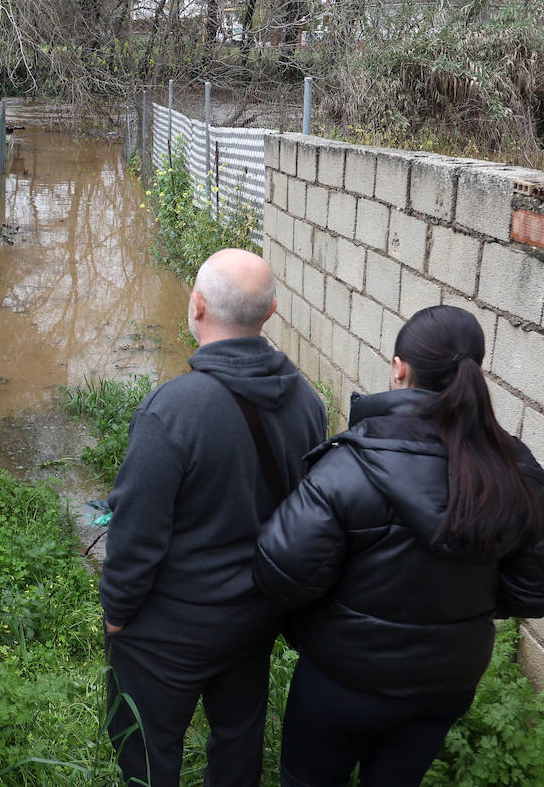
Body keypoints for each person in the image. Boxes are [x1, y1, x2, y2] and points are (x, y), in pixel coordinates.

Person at [253, 304, 544, 787]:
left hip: (342, 680)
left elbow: (282, 572)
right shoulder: (515, 479)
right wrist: (463, 607)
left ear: (399, 366)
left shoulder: (349, 468)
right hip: (445, 685)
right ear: (474, 371)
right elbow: (539, 590)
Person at [101, 248, 328, 787]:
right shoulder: (308, 404)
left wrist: (117, 613)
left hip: (169, 629)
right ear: (271, 312)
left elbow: (136, 536)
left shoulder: (171, 411)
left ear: (196, 306)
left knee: (147, 746)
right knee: (237, 737)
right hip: (254, 618)